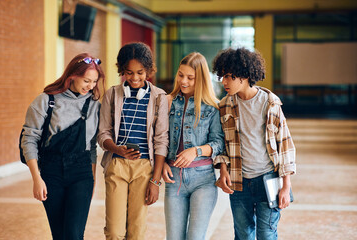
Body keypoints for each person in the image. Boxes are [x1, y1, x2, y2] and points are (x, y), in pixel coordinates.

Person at [212, 47, 296, 240]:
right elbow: (222, 142)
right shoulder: (224, 105)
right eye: (222, 76)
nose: (224, 82)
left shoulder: (270, 103)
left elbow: (284, 144)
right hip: (239, 182)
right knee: (243, 235)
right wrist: (223, 169)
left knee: (266, 235)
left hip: (268, 179)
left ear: (244, 75)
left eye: (229, 76)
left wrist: (286, 185)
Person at [21, 53, 105, 239]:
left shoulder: (94, 106)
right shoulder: (45, 101)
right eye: (86, 80)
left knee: (74, 234)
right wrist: (36, 178)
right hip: (51, 172)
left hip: (81, 173)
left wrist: (92, 179)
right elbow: (29, 140)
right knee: (59, 235)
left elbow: (91, 146)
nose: (91, 86)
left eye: (94, 82)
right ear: (72, 75)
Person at [97, 42, 169, 240]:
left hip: (144, 168)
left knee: (136, 232)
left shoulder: (159, 97)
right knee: (114, 232)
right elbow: (103, 133)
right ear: (122, 71)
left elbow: (162, 140)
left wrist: (155, 181)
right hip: (117, 165)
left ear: (148, 71)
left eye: (140, 73)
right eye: (129, 73)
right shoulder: (112, 95)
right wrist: (117, 149)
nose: (135, 78)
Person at [162, 52, 225, 240]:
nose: (184, 81)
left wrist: (195, 151)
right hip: (174, 181)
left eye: (190, 77)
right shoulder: (167, 102)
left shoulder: (213, 107)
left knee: (195, 237)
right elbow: (159, 139)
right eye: (181, 75)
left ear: (202, 79)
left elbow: (219, 143)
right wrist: (163, 162)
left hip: (203, 180)